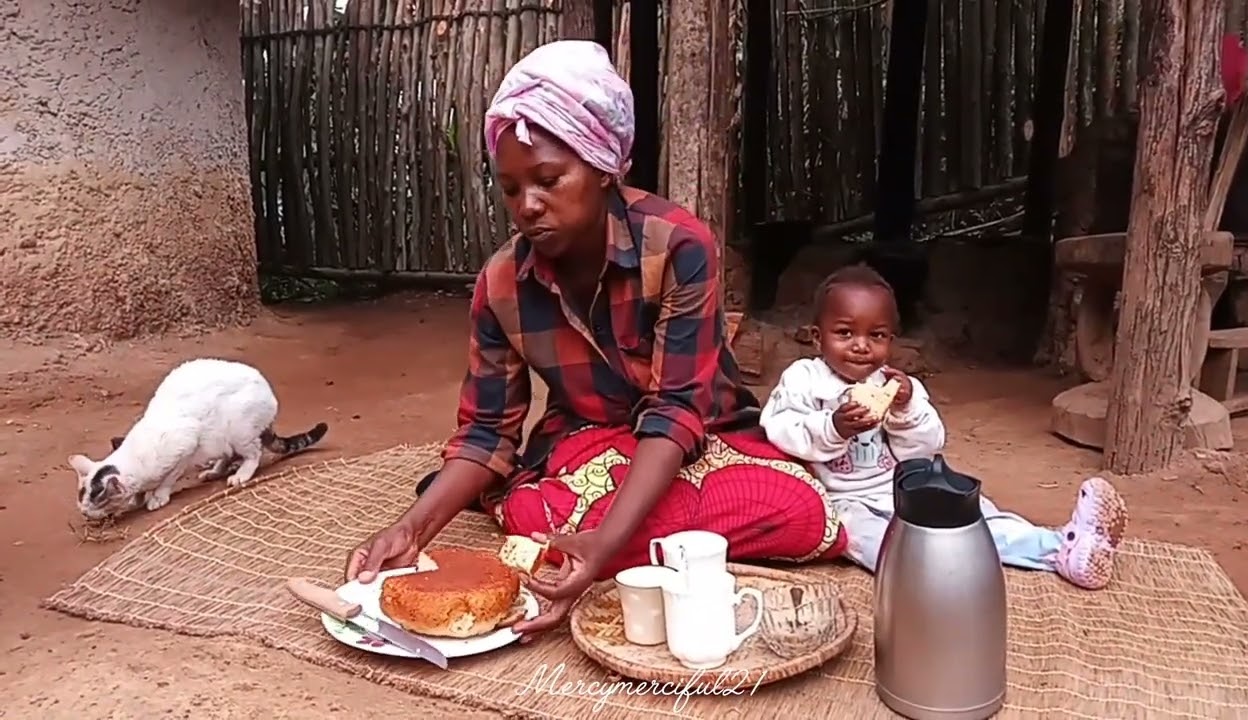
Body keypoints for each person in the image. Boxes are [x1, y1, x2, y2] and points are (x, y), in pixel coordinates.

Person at [344, 40, 849, 638]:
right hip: (586, 444)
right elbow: (486, 433)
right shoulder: (500, 285)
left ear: (606, 166)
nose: (528, 205)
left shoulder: (680, 246)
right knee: (539, 513)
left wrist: (606, 542)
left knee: (792, 506)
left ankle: (595, 546)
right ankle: (619, 544)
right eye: (509, 189)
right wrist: (414, 527)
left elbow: (676, 409)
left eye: (549, 179)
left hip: (701, 442)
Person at [759, 265, 1129, 590]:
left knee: (973, 518)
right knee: (865, 537)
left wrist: (905, 411)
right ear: (816, 336)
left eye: (877, 335)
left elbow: (926, 447)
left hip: (902, 486)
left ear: (891, 339)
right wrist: (833, 427)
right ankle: (920, 575)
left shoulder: (895, 384)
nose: (861, 346)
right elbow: (778, 429)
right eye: (844, 333)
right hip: (844, 498)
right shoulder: (804, 378)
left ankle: (1061, 549)